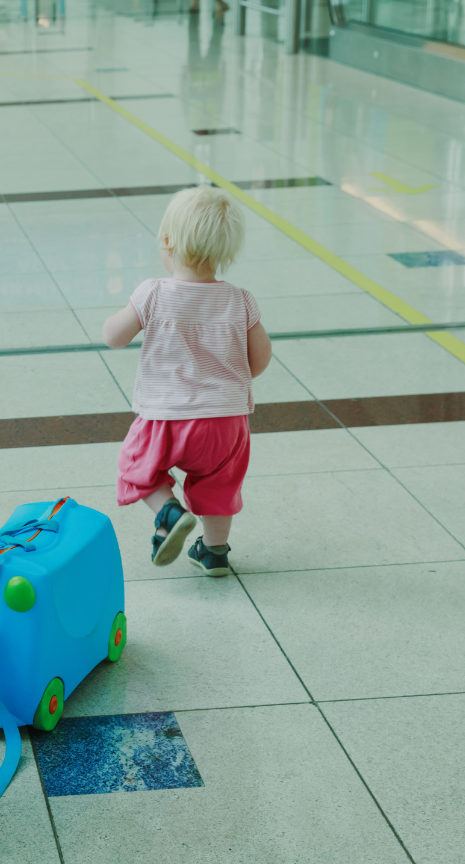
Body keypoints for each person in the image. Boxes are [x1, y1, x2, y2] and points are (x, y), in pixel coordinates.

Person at [102, 185, 271, 577]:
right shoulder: (241, 300)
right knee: (219, 486)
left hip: (167, 417)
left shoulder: (153, 293)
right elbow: (259, 360)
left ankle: (169, 512)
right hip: (227, 423)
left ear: (166, 241)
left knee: (136, 466)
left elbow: (114, 337)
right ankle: (214, 552)